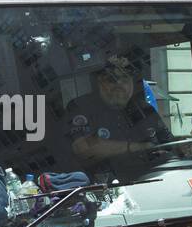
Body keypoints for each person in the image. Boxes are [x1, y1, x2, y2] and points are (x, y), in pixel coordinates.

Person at [65, 51, 174, 179]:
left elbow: (168, 143)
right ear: (99, 82)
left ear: (133, 83)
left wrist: (184, 147)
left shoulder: (144, 108)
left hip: (156, 179)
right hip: (106, 189)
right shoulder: (82, 107)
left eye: (125, 78)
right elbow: (83, 148)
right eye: (112, 79)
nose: (119, 85)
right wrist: (138, 147)